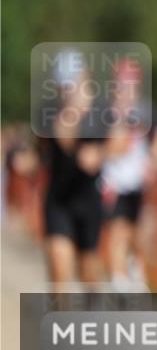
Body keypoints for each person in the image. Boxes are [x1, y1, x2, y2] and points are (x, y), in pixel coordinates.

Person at [37, 48, 108, 288]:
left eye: (71, 84)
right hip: (59, 200)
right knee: (59, 265)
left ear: (84, 78)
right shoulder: (50, 113)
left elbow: (121, 141)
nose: (66, 91)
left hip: (89, 202)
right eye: (62, 86)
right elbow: (59, 138)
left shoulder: (102, 111)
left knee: (88, 273)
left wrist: (100, 153)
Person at [102, 57, 157, 290]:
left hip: (138, 183)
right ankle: (118, 280)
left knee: (139, 231)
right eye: (122, 84)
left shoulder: (145, 110)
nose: (126, 90)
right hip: (112, 182)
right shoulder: (106, 111)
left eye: (130, 84)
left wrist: (155, 162)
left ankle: (134, 266)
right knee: (118, 230)